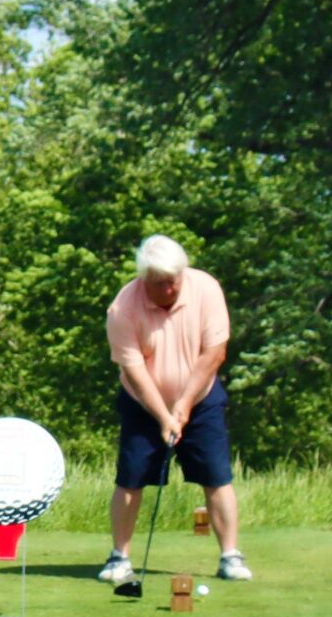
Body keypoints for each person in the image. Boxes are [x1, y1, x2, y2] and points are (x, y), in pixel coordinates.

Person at [100, 236, 253, 584]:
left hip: (201, 399)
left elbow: (214, 353)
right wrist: (163, 415)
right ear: (144, 279)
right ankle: (119, 558)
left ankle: (230, 556)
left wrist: (183, 404)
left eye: (173, 281)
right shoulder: (123, 308)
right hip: (142, 404)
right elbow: (134, 370)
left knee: (217, 476)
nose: (168, 289)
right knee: (130, 479)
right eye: (159, 283)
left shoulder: (206, 289)